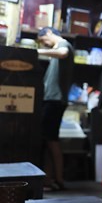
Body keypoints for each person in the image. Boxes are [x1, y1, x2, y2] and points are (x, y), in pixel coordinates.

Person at [37, 27, 74, 191]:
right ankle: (49, 178)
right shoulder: (55, 49)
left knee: (51, 139)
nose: (44, 45)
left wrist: (39, 51)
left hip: (55, 99)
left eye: (44, 41)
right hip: (51, 99)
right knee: (48, 139)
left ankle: (58, 179)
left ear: (49, 34)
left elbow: (63, 53)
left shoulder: (63, 44)